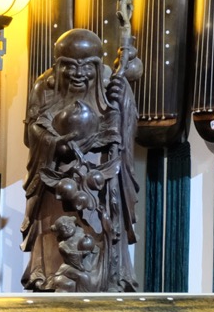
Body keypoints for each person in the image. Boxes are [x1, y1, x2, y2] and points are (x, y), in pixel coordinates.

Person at [21, 24, 139, 293]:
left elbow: (128, 129)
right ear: (57, 64)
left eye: (86, 66)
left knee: (100, 233)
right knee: (54, 241)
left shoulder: (111, 84)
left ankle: (107, 278)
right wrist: (55, 143)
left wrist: (122, 105)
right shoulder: (44, 87)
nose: (78, 74)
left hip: (100, 178)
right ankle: (49, 278)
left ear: (97, 65)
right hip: (56, 180)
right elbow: (31, 133)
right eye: (69, 66)